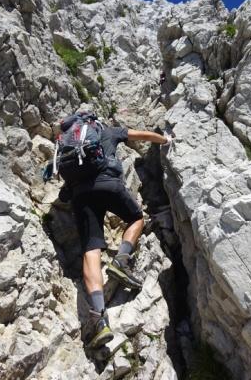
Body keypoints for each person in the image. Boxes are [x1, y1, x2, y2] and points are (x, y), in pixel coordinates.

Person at [63, 122, 173, 349]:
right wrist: (164, 140)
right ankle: (121, 260)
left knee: (90, 251)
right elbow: (140, 134)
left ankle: (100, 319)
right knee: (136, 218)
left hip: (81, 195)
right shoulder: (106, 130)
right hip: (109, 184)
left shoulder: (69, 145)